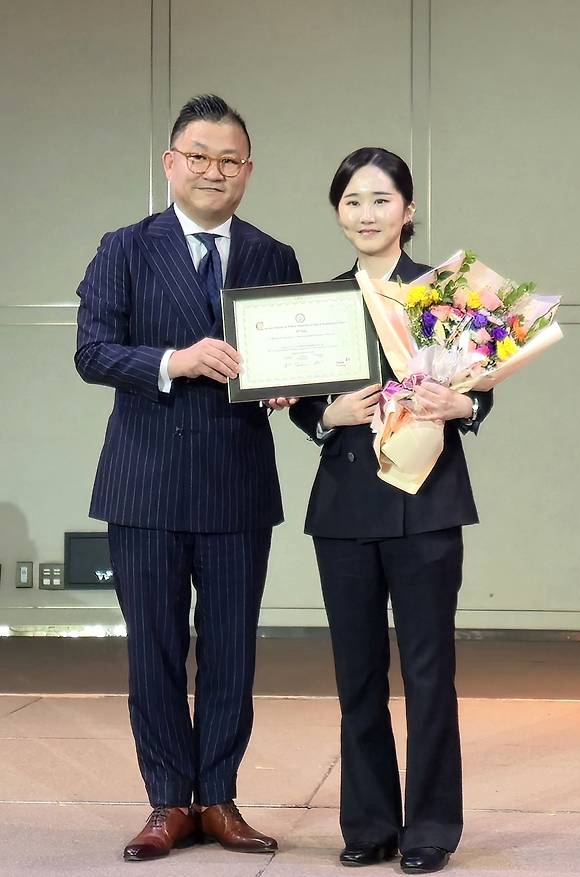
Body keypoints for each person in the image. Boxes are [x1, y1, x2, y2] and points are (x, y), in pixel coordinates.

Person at [75, 94, 301, 862]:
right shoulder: (125, 247)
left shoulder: (275, 256)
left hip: (238, 480)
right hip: (145, 482)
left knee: (234, 649)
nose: (214, 171)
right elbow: (93, 352)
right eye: (199, 156)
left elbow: (292, 361)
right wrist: (176, 360)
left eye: (229, 159)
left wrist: (287, 386)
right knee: (157, 648)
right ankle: (168, 800)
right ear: (171, 163)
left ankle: (220, 797)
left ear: (248, 170)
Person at [290, 147, 493, 874]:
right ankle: (370, 822)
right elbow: (302, 401)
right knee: (358, 674)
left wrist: (464, 402)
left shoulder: (444, 292)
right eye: (351, 201)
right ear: (337, 213)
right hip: (345, 504)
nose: (366, 213)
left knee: (431, 671)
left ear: (408, 210)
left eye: (380, 199)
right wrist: (325, 412)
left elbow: (484, 380)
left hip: (428, 502)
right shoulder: (314, 303)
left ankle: (431, 825)